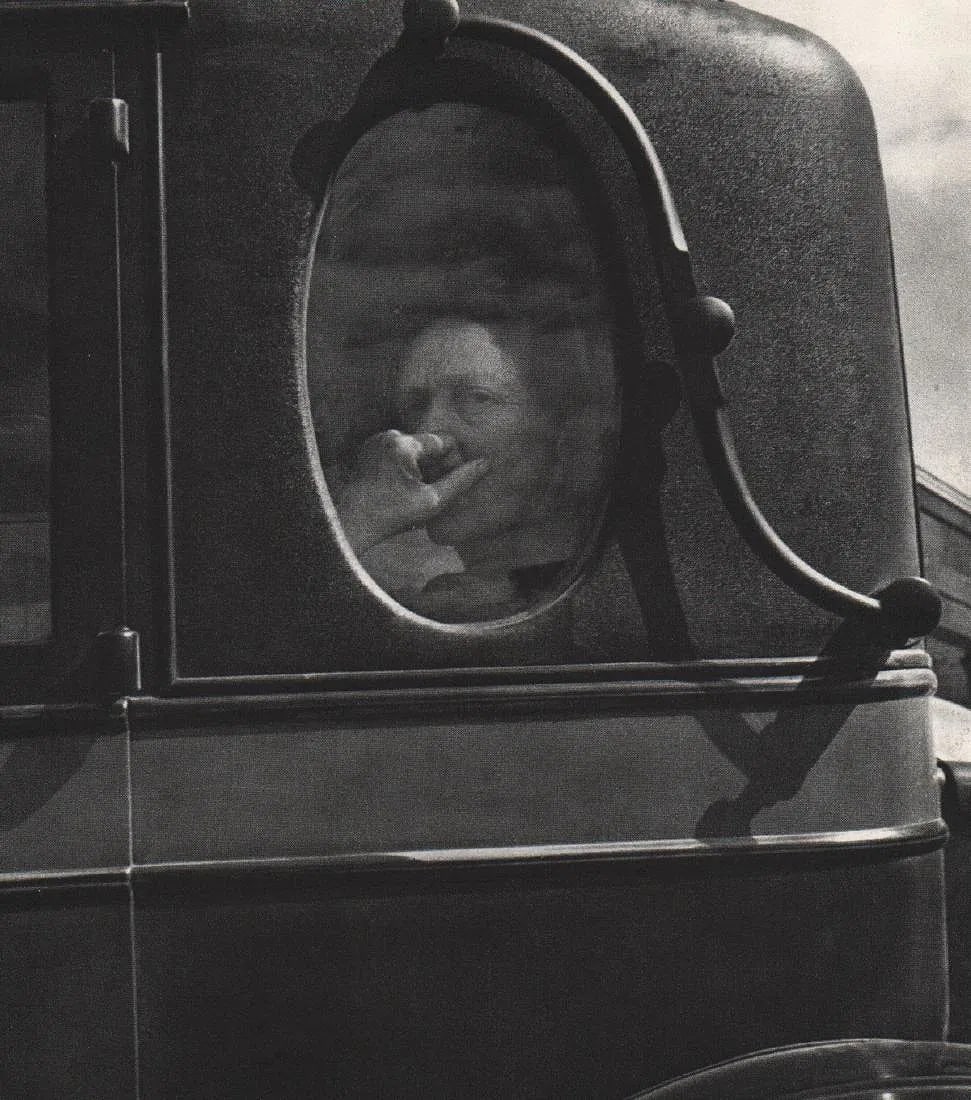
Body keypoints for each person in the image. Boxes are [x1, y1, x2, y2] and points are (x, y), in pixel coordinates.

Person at [331, 317, 613, 621]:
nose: (428, 429)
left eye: (476, 397)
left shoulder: (597, 608)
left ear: (557, 427)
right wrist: (357, 523)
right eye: (416, 405)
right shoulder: (441, 605)